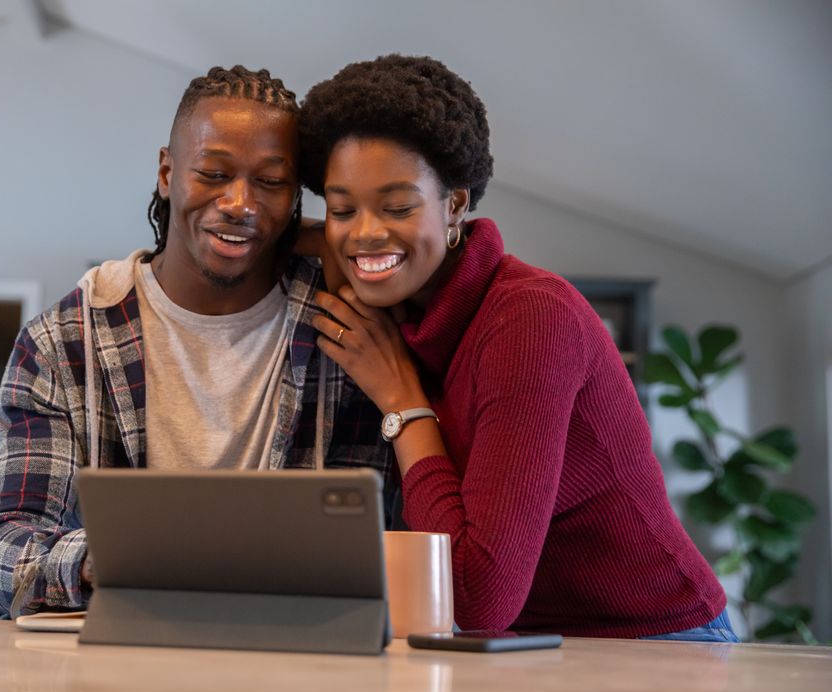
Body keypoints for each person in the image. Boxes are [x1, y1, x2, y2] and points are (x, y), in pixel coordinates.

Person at [297, 55, 736, 641]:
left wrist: (402, 400)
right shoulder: (406, 306)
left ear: (455, 204)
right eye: (342, 209)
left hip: (652, 640)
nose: (365, 233)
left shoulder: (530, 319)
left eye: (398, 206)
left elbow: (478, 598)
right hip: (530, 644)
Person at [0, 66, 391, 618]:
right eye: (214, 173)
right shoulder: (62, 344)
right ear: (167, 172)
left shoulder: (343, 329)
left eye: (269, 182)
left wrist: (328, 240)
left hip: (288, 665)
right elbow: (1, 554)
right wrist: (120, 560)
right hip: (111, 676)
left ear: (295, 197)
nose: (240, 202)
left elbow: (371, 540)